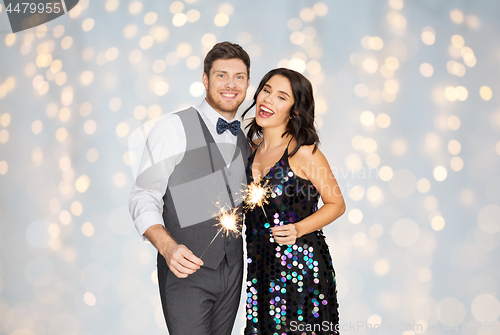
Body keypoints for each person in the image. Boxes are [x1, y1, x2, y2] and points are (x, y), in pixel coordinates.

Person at [128, 42, 251, 335]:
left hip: (233, 268)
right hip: (186, 269)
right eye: (221, 75)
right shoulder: (173, 128)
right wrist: (167, 247)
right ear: (205, 80)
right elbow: (143, 196)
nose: (231, 84)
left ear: (248, 82)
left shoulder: (248, 136)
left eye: (239, 76)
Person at [241, 68, 345, 334]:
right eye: (266, 90)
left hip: (300, 272)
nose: (268, 100)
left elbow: (336, 204)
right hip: (261, 271)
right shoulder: (249, 150)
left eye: (281, 97)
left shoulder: (304, 152)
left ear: (295, 111)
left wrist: (298, 229)